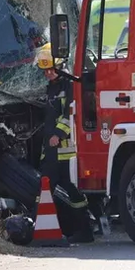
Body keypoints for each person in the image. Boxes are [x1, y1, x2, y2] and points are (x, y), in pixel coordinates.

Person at [35, 43, 95, 244]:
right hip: (51, 152)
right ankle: (41, 229)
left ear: (60, 66)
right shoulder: (50, 88)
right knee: (44, 189)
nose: (48, 74)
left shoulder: (70, 86)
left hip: (67, 151)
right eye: (45, 71)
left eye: (51, 70)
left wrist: (59, 134)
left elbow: (72, 112)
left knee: (74, 192)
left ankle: (85, 231)